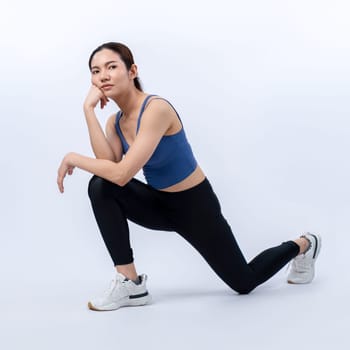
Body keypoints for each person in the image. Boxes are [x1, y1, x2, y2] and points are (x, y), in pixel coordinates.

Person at [57, 42, 322, 312]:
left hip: (196, 207)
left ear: (132, 70)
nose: (103, 76)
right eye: (95, 70)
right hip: (159, 204)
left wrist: (73, 158)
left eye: (111, 67)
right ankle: (130, 282)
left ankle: (304, 244)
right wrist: (88, 110)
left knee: (244, 282)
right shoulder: (114, 122)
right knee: (101, 186)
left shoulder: (156, 109)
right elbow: (108, 167)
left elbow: (123, 174)